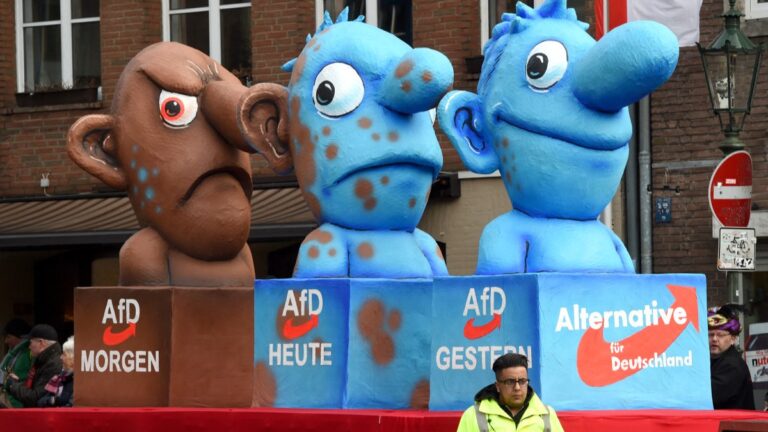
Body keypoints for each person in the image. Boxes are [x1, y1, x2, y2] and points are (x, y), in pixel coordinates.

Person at [457, 353, 564, 432]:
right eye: (510, 382)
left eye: (522, 381)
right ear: (498, 386)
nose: (517, 387)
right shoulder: (473, 415)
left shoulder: (546, 414)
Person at [3, 324, 62, 408]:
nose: (29, 347)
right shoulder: (43, 360)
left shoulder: (53, 364)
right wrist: (17, 383)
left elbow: (35, 398)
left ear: (41, 343)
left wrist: (12, 385)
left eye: (30, 342)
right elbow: (34, 389)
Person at [709, 304, 755, 410]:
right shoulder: (715, 360)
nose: (714, 339)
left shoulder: (732, 365)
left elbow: (709, 395)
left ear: (733, 339)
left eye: (720, 335)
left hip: (733, 425)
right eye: (710, 335)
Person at [0, 318, 32, 408]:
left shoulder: (30, 353)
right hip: (7, 398)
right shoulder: (14, 353)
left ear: (21, 337)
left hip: (17, 402)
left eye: (8, 337)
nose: (6, 341)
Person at [38, 335, 74, 407]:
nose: (60, 357)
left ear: (73, 358)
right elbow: (40, 402)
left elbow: (69, 406)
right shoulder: (59, 378)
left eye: (64, 354)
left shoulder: (78, 383)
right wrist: (52, 400)